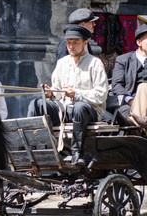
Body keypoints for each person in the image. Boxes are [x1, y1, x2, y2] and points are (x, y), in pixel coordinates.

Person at [28, 25, 108, 166]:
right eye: (68, 42)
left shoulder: (95, 63)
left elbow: (101, 95)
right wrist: (50, 93)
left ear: (85, 43)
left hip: (89, 111)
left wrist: (76, 94)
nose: (71, 46)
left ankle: (77, 153)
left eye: (75, 42)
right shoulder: (62, 63)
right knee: (37, 104)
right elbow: (58, 93)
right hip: (64, 109)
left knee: (79, 107)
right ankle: (33, 149)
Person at [110, 23, 147, 125]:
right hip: (128, 101)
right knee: (124, 113)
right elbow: (117, 85)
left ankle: (141, 125)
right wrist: (130, 100)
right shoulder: (123, 60)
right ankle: (145, 125)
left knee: (135, 117)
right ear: (139, 42)